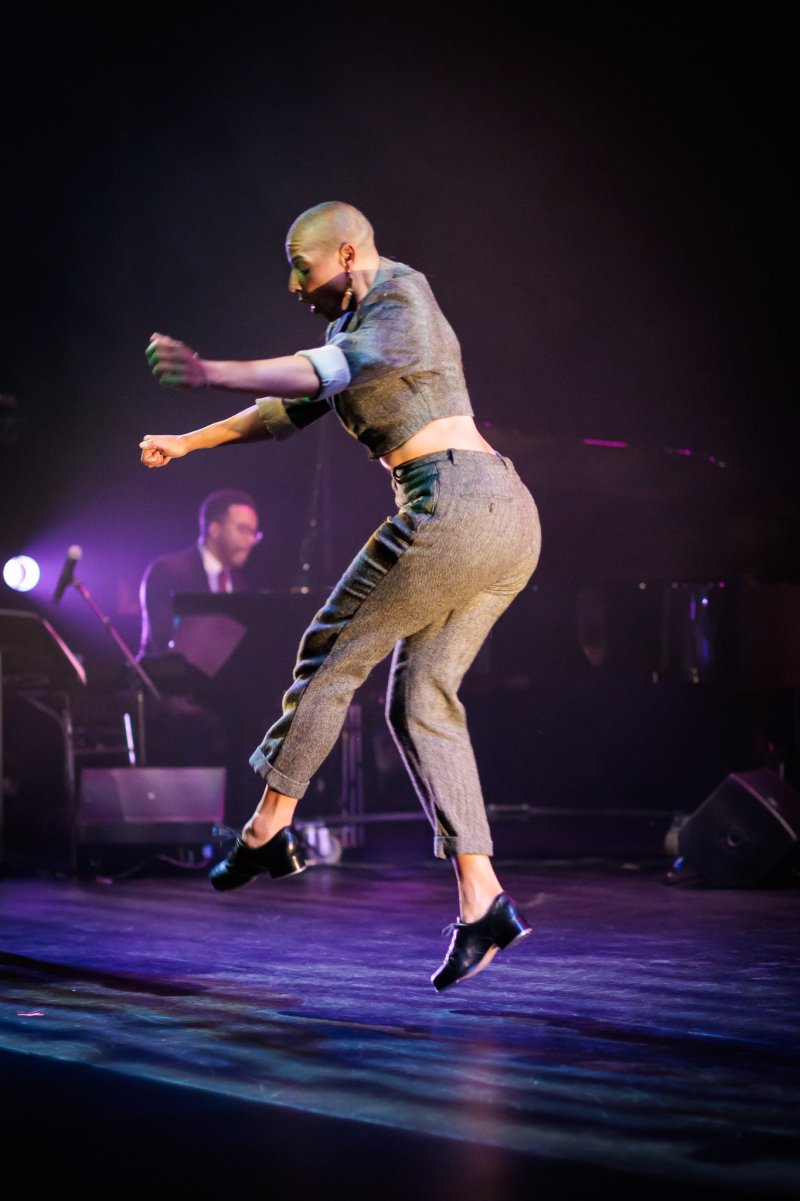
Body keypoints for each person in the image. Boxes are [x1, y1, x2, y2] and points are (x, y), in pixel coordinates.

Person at [139, 201, 542, 992]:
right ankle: (483, 899)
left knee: (333, 645)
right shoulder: (351, 331)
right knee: (422, 698)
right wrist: (188, 440)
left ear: (349, 254)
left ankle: (268, 827)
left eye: (304, 266)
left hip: (454, 504)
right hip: (504, 517)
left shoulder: (402, 299)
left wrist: (209, 367)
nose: (294, 283)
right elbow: (284, 407)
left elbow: (319, 374)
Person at [138, 488, 262, 658]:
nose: (250, 541)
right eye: (243, 529)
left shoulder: (239, 583)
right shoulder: (167, 571)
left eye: (254, 533)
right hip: (168, 680)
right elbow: (163, 639)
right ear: (214, 529)